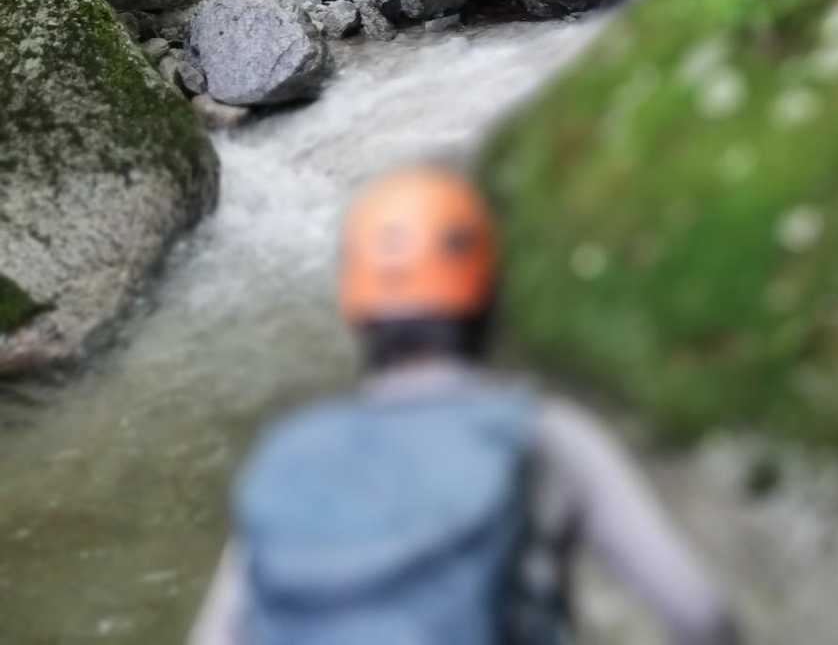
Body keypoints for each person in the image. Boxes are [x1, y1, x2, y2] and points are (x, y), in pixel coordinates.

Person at [189, 167, 743, 645]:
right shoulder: (544, 436)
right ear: (487, 294)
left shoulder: (288, 456)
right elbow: (701, 616)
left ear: (354, 305)